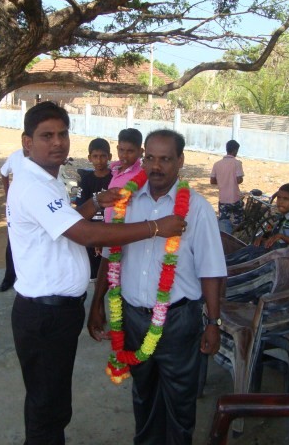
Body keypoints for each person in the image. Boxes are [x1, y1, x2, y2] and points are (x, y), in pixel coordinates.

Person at [7, 102, 185, 445]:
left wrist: (94, 203)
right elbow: (86, 235)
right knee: (47, 408)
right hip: (44, 315)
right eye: (47, 136)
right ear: (27, 142)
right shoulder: (33, 185)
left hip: (54, 312)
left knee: (52, 403)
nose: (58, 142)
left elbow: (63, 223)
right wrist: (154, 227)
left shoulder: (47, 177)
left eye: (62, 134)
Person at [87, 129, 226, 445]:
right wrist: (97, 304)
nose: (156, 166)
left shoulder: (197, 209)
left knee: (180, 401)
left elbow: (211, 270)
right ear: (143, 158)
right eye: (150, 158)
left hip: (178, 321)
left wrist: (213, 322)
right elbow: (109, 254)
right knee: (144, 395)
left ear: (180, 161)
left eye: (165, 159)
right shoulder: (125, 203)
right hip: (133, 318)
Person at [75, 138, 112, 280]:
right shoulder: (86, 180)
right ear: (89, 158)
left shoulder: (114, 178)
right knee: (94, 274)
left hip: (110, 231)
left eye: (103, 156)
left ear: (109, 157)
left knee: (111, 271)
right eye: (95, 156)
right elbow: (81, 208)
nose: (99, 160)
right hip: (91, 232)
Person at [0, 137, 29, 292]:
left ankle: (30, 279)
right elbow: (3, 172)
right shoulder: (15, 156)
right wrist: (7, 192)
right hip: (16, 206)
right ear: (25, 141)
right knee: (13, 241)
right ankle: (9, 278)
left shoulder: (41, 157)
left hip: (35, 204)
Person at [104, 128, 144, 223]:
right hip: (108, 225)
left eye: (130, 151)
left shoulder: (141, 176)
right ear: (117, 148)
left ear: (140, 151)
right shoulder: (114, 170)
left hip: (125, 227)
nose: (124, 155)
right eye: (121, 150)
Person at [210, 139, 244, 231]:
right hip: (235, 198)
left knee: (224, 222)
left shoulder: (217, 164)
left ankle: (226, 236)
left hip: (223, 199)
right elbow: (239, 180)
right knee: (238, 221)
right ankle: (236, 234)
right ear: (235, 150)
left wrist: (222, 180)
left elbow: (212, 181)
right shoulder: (237, 163)